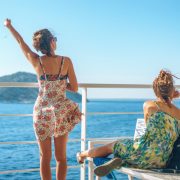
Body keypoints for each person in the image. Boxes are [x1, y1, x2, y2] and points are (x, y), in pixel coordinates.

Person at [4, 19, 82, 180]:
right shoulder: (66, 61)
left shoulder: (36, 60)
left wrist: (9, 26)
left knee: (44, 157)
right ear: (52, 42)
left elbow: (20, 42)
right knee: (61, 157)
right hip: (60, 110)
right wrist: (60, 83)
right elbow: (74, 88)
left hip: (41, 112)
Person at [77, 70, 180, 177]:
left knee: (113, 146)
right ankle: (121, 161)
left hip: (143, 152)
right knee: (136, 155)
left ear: (156, 91)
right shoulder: (179, 113)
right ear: (172, 89)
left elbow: (148, 126)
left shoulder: (150, 105)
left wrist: (170, 96)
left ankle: (82, 155)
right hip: (161, 161)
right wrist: (171, 97)